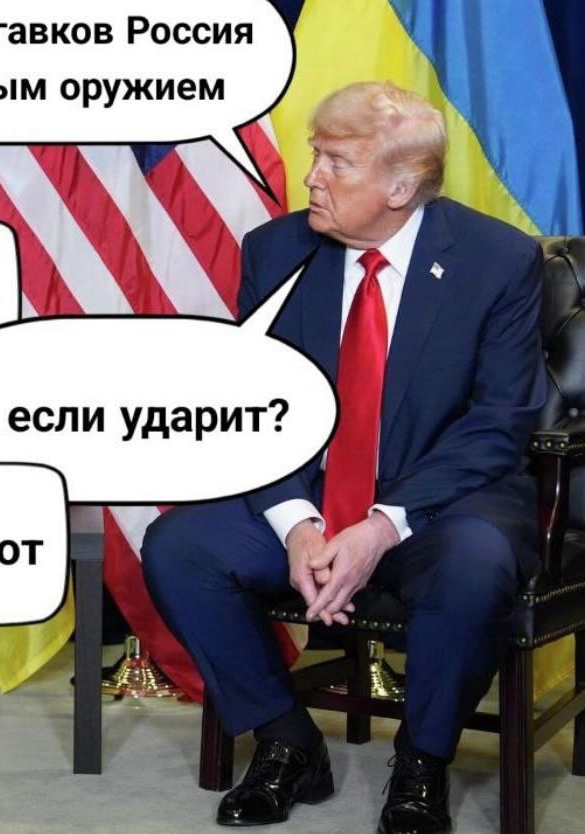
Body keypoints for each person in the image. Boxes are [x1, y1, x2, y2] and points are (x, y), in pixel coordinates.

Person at [141, 81, 546, 834]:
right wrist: (297, 523)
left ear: (402, 186)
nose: (312, 178)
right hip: (315, 491)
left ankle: (422, 764)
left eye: (337, 163)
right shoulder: (277, 250)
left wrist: (382, 525)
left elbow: (498, 424)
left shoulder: (498, 260)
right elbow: (257, 404)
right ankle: (288, 742)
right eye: (315, 156)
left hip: (442, 503)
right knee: (179, 545)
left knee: (476, 565)